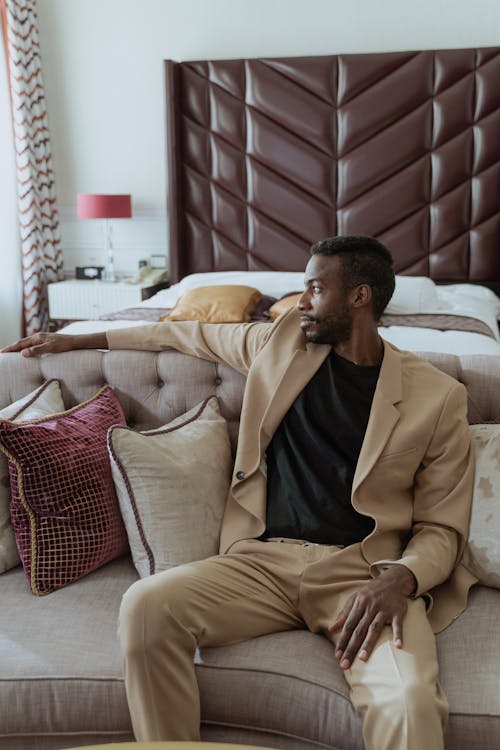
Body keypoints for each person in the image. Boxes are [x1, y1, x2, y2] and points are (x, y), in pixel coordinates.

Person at [3, 235, 475, 750]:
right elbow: (189, 333)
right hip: (260, 564)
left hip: (361, 577)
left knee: (409, 702)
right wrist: (74, 340)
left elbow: (442, 526)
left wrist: (401, 578)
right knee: (146, 605)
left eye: (316, 289)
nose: (302, 302)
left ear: (360, 297)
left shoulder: (437, 395)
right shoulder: (280, 343)